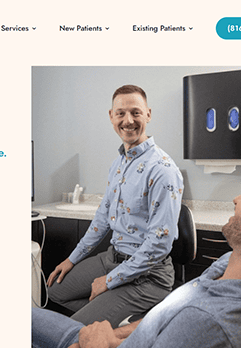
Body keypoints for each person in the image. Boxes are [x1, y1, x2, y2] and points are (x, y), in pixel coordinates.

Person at [33, 153, 241, 348]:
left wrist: (97, 343)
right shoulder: (226, 267)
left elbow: (159, 245)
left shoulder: (208, 322)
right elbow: (163, 320)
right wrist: (115, 335)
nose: (236, 198)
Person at [47, 85, 184, 327]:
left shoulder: (162, 169)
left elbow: (160, 244)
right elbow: (101, 219)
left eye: (136, 113)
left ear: (148, 114)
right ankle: (123, 325)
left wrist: (109, 281)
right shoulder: (118, 164)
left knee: (76, 327)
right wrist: (72, 259)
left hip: (148, 276)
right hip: (113, 257)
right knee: (54, 291)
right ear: (111, 116)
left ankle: (118, 325)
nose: (128, 120)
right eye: (120, 113)